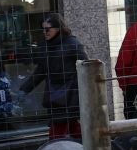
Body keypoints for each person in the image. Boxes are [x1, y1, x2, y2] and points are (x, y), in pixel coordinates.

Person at [21, 13, 87, 141]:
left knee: (58, 131)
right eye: (43, 29)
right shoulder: (46, 46)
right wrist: (24, 89)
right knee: (71, 127)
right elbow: (40, 71)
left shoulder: (72, 43)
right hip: (55, 95)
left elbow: (86, 66)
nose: (44, 32)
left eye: (47, 29)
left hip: (70, 94)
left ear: (58, 28)